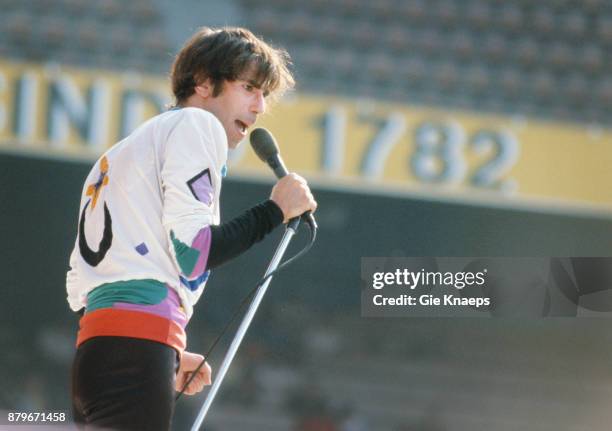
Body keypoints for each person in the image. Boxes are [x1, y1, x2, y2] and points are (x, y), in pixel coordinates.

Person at [66, 27, 317, 430]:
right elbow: (196, 252)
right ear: (202, 82)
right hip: (136, 350)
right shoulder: (197, 127)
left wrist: (168, 351)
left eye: (264, 94)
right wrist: (275, 210)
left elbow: (90, 289)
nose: (259, 107)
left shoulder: (122, 153)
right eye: (249, 87)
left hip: (97, 351)